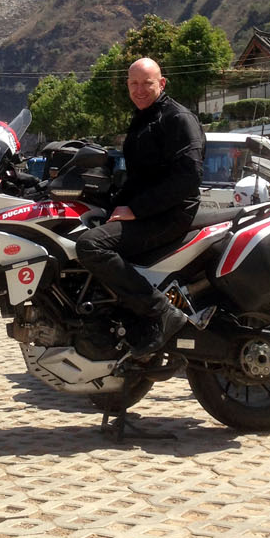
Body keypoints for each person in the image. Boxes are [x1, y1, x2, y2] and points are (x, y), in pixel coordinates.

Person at [76, 56, 205, 356]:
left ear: (162, 83)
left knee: (91, 246)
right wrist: (109, 203)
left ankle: (162, 312)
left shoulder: (178, 118)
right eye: (133, 83)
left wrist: (136, 210)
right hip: (149, 212)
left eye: (147, 83)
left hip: (170, 214)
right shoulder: (144, 117)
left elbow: (188, 177)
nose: (139, 89)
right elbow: (140, 177)